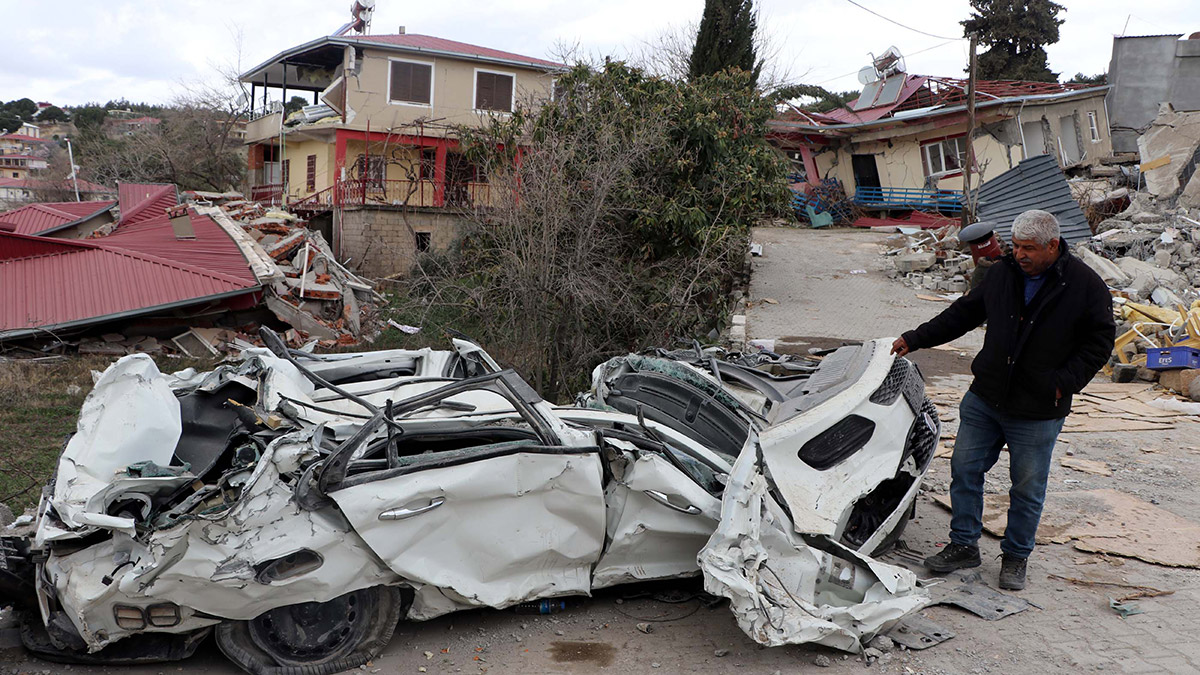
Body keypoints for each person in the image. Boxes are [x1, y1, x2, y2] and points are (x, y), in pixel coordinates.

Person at [891, 210, 1115, 590]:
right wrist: (915, 338)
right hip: (986, 397)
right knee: (963, 470)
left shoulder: (1085, 286)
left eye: (1030, 248)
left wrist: (1062, 384)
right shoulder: (1002, 273)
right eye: (1016, 247)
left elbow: (1100, 342)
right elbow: (962, 314)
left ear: (1053, 246)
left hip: (1039, 408)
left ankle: (1016, 556)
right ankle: (963, 544)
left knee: (1026, 487)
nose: (1021, 255)